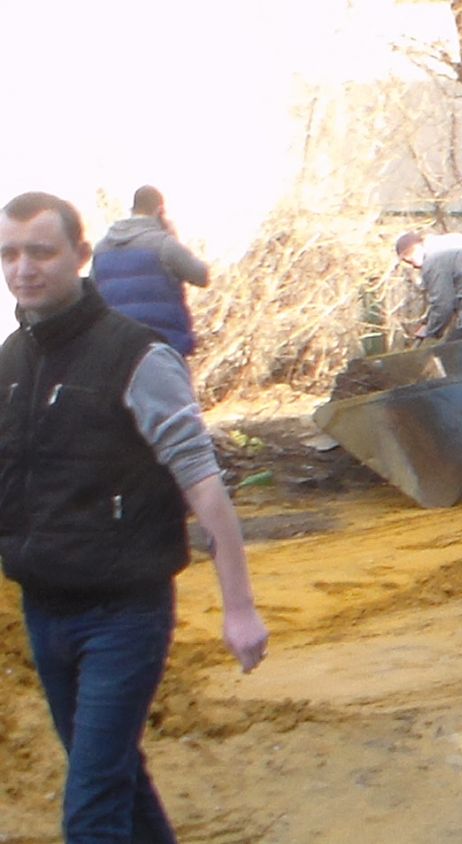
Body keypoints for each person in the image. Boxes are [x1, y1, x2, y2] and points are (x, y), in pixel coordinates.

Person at [0, 192, 269, 842]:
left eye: (41, 251)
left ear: (80, 255)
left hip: (123, 614)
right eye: (9, 253)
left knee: (91, 809)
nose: (24, 268)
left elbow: (202, 481)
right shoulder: (11, 361)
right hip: (44, 607)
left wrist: (239, 608)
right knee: (113, 775)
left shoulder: (137, 356)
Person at [92, 185, 211, 358]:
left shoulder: (101, 249)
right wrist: (174, 238)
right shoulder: (163, 243)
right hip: (162, 348)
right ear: (160, 211)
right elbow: (202, 276)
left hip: (116, 350)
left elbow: (93, 295)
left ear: (132, 210)